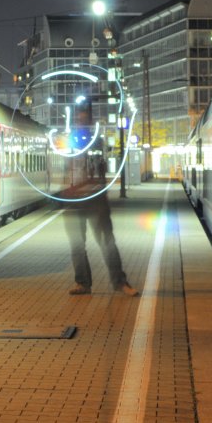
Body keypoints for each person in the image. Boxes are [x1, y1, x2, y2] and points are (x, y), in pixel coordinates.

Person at [60, 109, 138, 297]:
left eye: (84, 120)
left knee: (107, 242)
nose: (81, 124)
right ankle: (82, 283)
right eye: (79, 120)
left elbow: (100, 168)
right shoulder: (69, 142)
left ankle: (120, 282)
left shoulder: (96, 141)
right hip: (73, 200)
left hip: (95, 199)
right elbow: (65, 170)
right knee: (77, 245)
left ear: (90, 123)